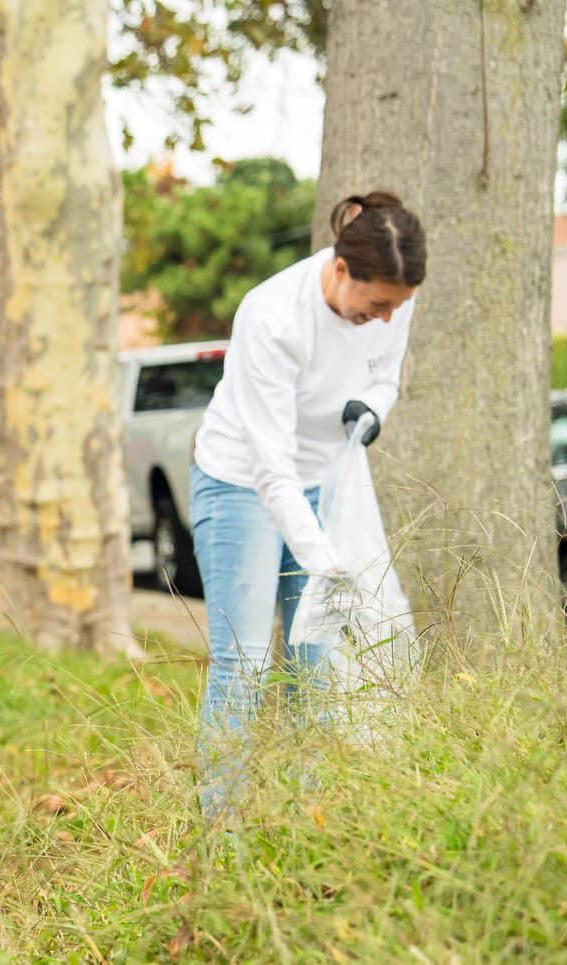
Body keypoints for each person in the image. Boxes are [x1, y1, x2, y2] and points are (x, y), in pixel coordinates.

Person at [188, 191, 425, 820]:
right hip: (242, 484)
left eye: (395, 308)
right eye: (376, 305)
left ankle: (305, 823)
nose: (384, 318)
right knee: (244, 664)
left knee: (315, 665)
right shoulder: (271, 317)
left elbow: (385, 376)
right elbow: (272, 468)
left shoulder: (394, 295)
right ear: (342, 270)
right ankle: (220, 836)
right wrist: (325, 558)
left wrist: (373, 408)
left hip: (322, 486)